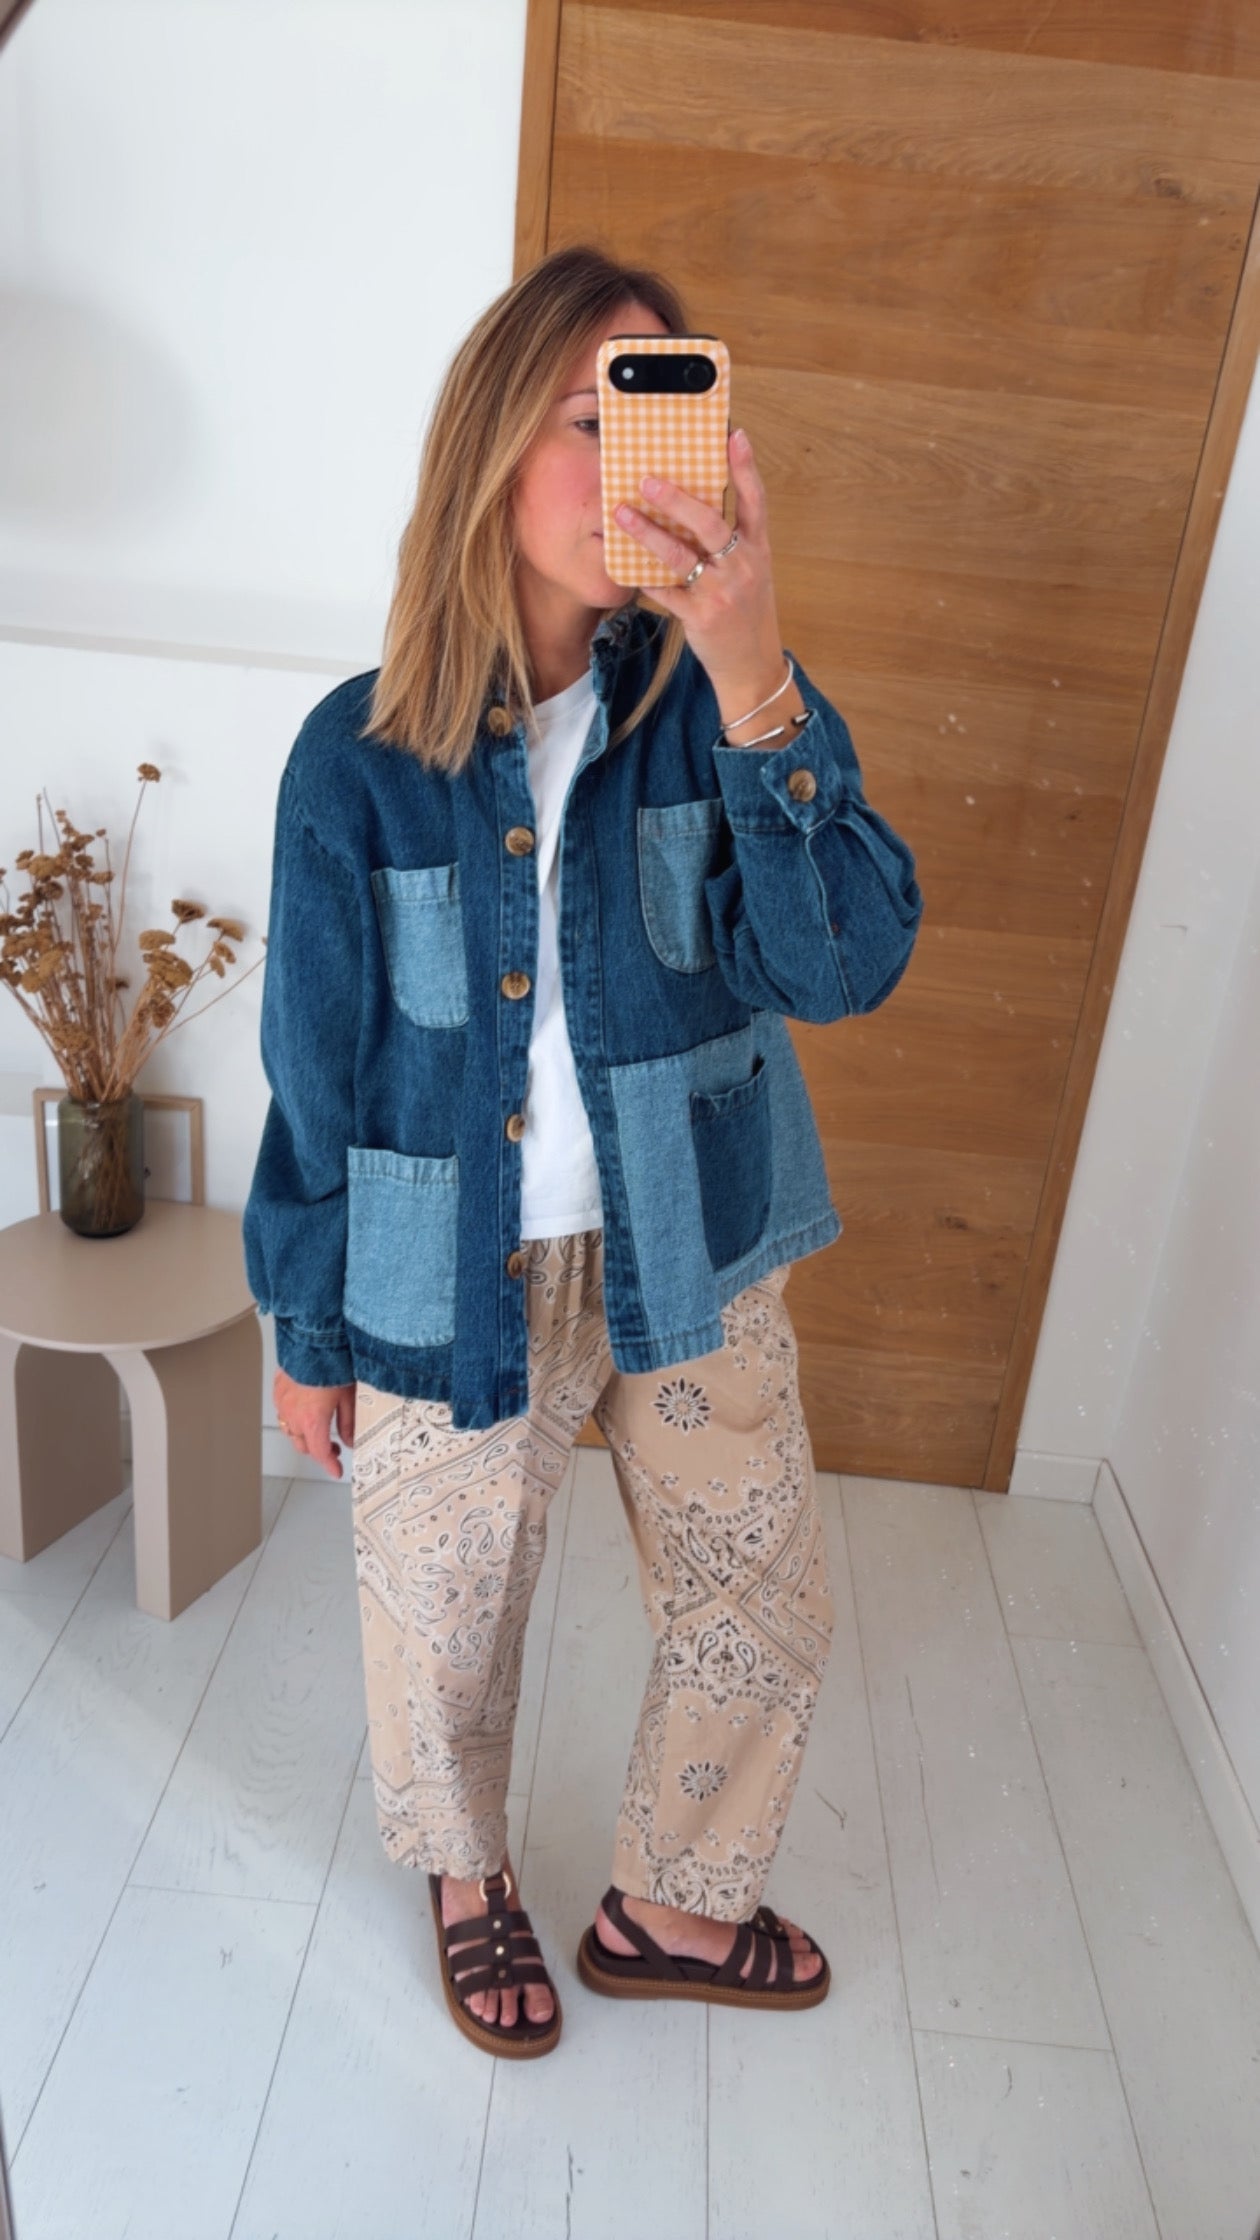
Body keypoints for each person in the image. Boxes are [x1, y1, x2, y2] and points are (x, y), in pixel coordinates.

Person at [243, 244, 923, 2059]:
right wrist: (306, 1329)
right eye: (584, 419)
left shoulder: (717, 713)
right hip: (439, 1273)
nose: (631, 469)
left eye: (656, 419)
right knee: (442, 1621)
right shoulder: (354, 760)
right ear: (489, 451)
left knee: (758, 1594)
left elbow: (844, 963)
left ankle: (670, 1905)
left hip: (693, 1243)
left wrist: (758, 673)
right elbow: (313, 1073)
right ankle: (469, 1877)